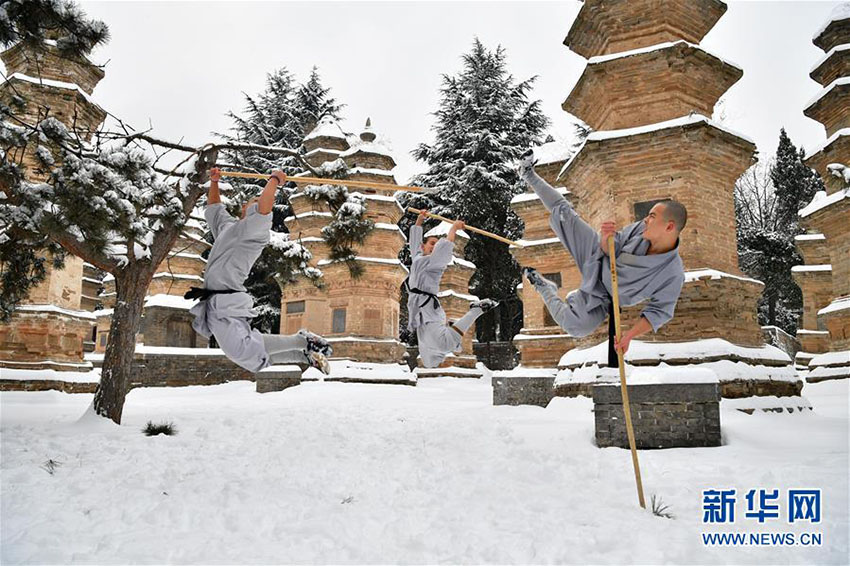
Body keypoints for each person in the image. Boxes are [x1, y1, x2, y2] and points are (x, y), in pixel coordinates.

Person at [517, 151, 686, 355]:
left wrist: (629, 336)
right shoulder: (639, 229)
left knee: (576, 326)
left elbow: (659, 311)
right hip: (598, 257)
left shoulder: (673, 274)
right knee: (564, 213)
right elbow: (612, 247)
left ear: (669, 227)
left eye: (652, 216)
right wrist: (606, 240)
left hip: (604, 297)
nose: (646, 220)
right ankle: (528, 174)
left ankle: (545, 288)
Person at [187, 167, 333, 374]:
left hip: (225, 301)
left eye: (258, 202)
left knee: (242, 351)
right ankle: (303, 354)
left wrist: (274, 180)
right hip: (221, 302)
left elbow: (264, 208)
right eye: (253, 201)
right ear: (244, 208)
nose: (256, 205)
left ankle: (302, 342)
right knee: (247, 355)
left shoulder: (254, 232)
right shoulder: (229, 227)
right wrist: (214, 182)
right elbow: (213, 207)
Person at [407, 210, 499, 368]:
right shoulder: (418, 258)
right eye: (431, 244)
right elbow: (415, 247)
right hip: (427, 311)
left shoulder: (433, 263)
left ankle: (474, 312)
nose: (434, 247)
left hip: (425, 310)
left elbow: (440, 252)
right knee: (444, 339)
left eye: (436, 245)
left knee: (442, 339)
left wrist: (453, 229)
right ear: (424, 246)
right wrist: (419, 221)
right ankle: (476, 310)